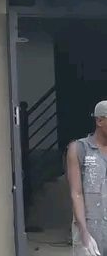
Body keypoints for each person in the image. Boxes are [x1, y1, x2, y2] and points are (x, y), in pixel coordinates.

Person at [67, 101, 107, 256]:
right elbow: (76, 193)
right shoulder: (79, 149)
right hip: (91, 228)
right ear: (100, 121)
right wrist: (84, 232)